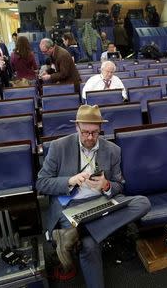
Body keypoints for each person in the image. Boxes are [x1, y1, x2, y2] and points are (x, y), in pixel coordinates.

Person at [36, 104, 151, 288]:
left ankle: (75, 234)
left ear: (100, 129)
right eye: (85, 132)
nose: (90, 137)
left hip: (101, 202)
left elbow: (120, 185)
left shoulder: (113, 150)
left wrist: (106, 185)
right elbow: (41, 183)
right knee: (89, 246)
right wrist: (70, 180)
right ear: (77, 127)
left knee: (143, 203)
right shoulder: (59, 147)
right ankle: (78, 234)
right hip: (71, 206)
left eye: (95, 133)